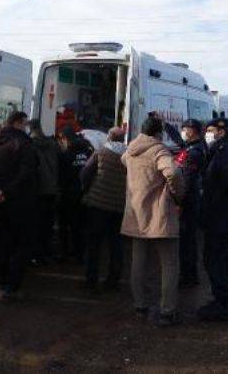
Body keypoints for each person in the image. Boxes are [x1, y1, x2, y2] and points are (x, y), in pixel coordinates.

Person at [121, 115, 184, 326]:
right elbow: (173, 173)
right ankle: (167, 311)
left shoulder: (130, 150)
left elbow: (124, 163)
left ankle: (140, 305)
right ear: (159, 133)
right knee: (169, 264)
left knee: (138, 262)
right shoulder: (159, 150)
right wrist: (177, 195)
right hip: (159, 216)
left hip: (136, 214)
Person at [0, 111, 38, 301]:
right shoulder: (23, 143)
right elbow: (27, 173)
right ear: (17, 123)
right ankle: (12, 286)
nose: (25, 127)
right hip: (19, 201)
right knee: (21, 244)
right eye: (24, 124)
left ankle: (2, 281)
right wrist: (6, 191)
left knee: (2, 241)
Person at [199, 117, 228, 321]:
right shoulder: (219, 150)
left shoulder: (225, 152)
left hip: (220, 216)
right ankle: (222, 301)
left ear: (221, 131)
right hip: (216, 215)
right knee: (216, 259)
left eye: (210, 130)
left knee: (216, 259)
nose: (207, 133)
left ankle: (222, 305)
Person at [80, 127, 127, 291]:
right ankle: (113, 280)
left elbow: (85, 173)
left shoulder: (100, 153)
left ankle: (90, 279)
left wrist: (86, 190)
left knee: (94, 245)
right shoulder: (128, 157)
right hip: (119, 206)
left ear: (109, 137)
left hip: (97, 205)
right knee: (116, 245)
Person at [177, 119, 207, 288]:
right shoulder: (191, 147)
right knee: (187, 241)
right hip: (190, 200)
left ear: (193, 131)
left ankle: (189, 276)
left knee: (187, 241)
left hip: (189, 202)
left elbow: (188, 181)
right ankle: (188, 274)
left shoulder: (195, 151)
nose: (183, 132)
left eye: (185, 129)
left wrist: (178, 202)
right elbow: (179, 143)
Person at [57, 125, 94, 263]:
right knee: (80, 226)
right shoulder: (88, 151)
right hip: (84, 194)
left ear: (65, 138)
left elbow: (61, 176)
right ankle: (79, 254)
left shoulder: (66, 154)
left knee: (64, 226)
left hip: (68, 195)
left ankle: (64, 253)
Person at [29, 119, 61, 265]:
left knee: (35, 225)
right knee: (48, 225)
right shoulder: (53, 144)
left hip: (38, 190)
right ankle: (47, 253)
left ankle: (36, 254)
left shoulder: (30, 145)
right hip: (52, 189)